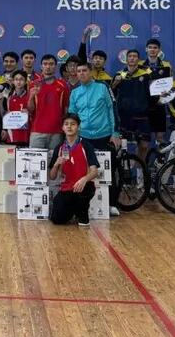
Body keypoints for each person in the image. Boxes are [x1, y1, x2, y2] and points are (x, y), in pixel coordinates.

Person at [69, 62, 121, 216]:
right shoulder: (75, 92)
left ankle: (112, 203)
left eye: (84, 70)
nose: (81, 73)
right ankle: (82, 204)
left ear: (91, 72)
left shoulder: (103, 87)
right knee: (83, 172)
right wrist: (72, 136)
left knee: (109, 171)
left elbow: (113, 108)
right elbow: (72, 117)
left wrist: (115, 132)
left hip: (104, 135)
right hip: (84, 137)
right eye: (78, 71)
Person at [48, 113, 100, 226]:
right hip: (67, 187)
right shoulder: (60, 148)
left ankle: (81, 212)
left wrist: (84, 179)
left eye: (73, 124)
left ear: (78, 126)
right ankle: (73, 210)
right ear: (62, 128)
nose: (69, 127)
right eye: (66, 124)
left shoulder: (86, 146)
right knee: (57, 219)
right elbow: (52, 176)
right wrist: (56, 164)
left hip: (83, 186)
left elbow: (95, 171)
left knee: (82, 199)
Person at [111, 49, 152, 163]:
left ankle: (140, 174)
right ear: (126, 59)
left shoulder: (146, 74)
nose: (132, 58)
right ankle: (121, 172)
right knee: (121, 146)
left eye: (135, 56)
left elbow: (153, 93)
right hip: (124, 116)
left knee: (144, 146)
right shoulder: (119, 75)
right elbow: (111, 95)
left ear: (138, 59)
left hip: (142, 115)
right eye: (130, 56)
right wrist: (115, 84)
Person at [27, 54, 69, 150]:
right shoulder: (34, 84)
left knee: (54, 163)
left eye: (51, 64)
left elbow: (66, 109)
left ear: (56, 66)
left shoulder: (63, 85)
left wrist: (65, 129)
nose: (48, 66)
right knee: (35, 163)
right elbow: (30, 109)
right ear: (41, 66)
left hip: (57, 132)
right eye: (45, 64)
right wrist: (31, 96)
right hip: (37, 131)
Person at [141, 39, 172, 143]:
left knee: (160, 139)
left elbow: (169, 85)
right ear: (146, 49)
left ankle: (160, 160)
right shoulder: (140, 65)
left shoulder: (166, 65)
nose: (152, 50)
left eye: (155, 48)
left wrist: (165, 94)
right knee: (143, 142)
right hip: (144, 106)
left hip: (159, 105)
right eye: (150, 47)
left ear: (159, 50)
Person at [0, 70, 30, 146]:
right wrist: (0, 102)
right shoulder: (8, 96)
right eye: (16, 79)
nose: (18, 82)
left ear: (26, 81)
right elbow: (3, 114)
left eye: (21, 79)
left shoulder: (30, 96)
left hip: (26, 134)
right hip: (12, 134)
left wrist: (28, 112)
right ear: (13, 81)